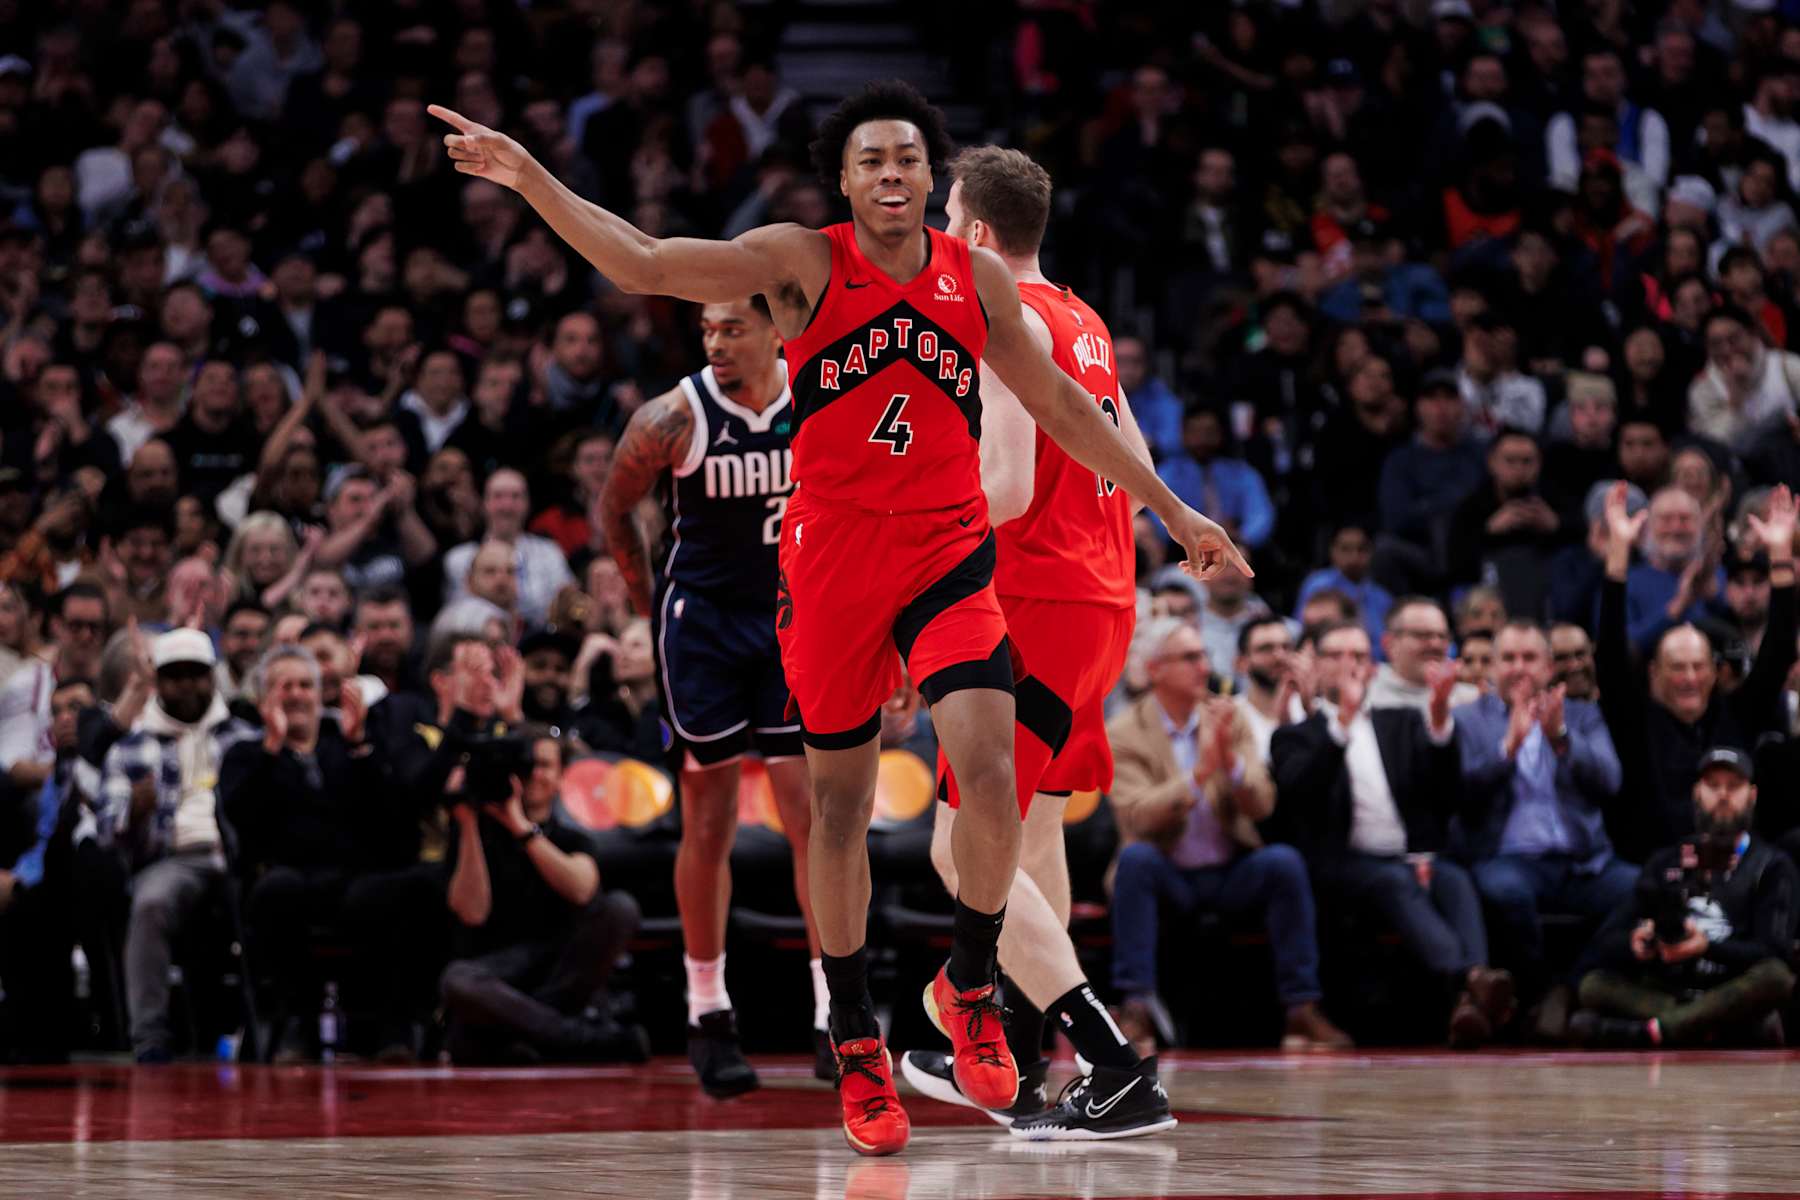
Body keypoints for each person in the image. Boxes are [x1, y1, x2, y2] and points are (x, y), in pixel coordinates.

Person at [429, 80, 1240, 1156]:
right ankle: (856, 1037)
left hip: (948, 551)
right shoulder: (801, 262)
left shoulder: (977, 278)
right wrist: (530, 176)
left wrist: (1179, 514)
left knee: (990, 774)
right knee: (839, 810)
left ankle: (972, 987)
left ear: (932, 175)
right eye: (872, 161)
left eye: (909, 157)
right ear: (845, 180)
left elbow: (1061, 410)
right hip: (834, 561)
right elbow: (647, 262)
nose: (893, 174)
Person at [895, 146, 1173, 1140]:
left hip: (1032, 604)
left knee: (957, 845)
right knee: (1034, 834)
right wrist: (1180, 524)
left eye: (944, 213)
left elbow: (1004, 487)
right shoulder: (1087, 321)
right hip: (1102, 597)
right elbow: (1133, 456)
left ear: (971, 230)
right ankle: (1009, 1061)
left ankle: (1114, 1065)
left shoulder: (993, 316)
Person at [596, 295, 828, 1095]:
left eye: (733, 327)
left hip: (793, 618)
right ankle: (708, 1011)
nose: (717, 342)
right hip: (704, 628)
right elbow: (616, 508)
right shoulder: (675, 415)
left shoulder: (820, 390)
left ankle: (838, 1011)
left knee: (814, 817)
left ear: (775, 329)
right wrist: (645, 601)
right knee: (711, 820)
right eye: (707, 330)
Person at [1102, 617, 1348, 1055]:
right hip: (1167, 871)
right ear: (1156, 669)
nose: (1204, 666)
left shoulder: (1227, 717)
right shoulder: (1124, 730)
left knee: (1283, 863)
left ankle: (1301, 1009)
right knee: (1135, 862)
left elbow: (1263, 804)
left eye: (1204, 656)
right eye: (1190, 658)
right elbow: (1137, 817)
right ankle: (1135, 1008)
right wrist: (1198, 776)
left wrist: (1230, 764)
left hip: (1230, 870)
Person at [1269, 620, 1515, 1047]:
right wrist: (1340, 725)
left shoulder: (1398, 720)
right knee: (1392, 880)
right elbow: (1301, 794)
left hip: (1405, 856)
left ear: (1373, 668)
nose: (1350, 665)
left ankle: (1470, 996)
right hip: (1339, 864)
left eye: (1360, 657)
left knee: (1453, 878)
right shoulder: (1298, 733)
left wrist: (1439, 722)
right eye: (1337, 655)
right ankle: (1472, 981)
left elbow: (1441, 791)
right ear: (1316, 664)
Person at [1596, 482, 1797, 864]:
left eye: (1697, 666)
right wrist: (1618, 551)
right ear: (1654, 672)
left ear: (1714, 673)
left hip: (1731, 870)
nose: (1688, 677)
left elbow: (1777, 655)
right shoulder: (1635, 720)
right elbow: (1608, 656)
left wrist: (1781, 554)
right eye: (1677, 667)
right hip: (1654, 871)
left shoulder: (1735, 713)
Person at [440, 728, 649, 1064]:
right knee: (458, 980)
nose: (535, 774)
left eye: (545, 765)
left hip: (559, 968)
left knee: (620, 908)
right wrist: (466, 823)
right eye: (527, 765)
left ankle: (521, 1034)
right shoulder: (475, 832)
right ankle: (578, 1039)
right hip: (499, 969)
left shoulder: (574, 839)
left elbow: (582, 889)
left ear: (561, 776)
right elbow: (471, 913)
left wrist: (521, 827)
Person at [1453, 620, 1633, 1007]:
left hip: (1583, 862)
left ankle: (1566, 988)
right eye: (1509, 658)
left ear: (1549, 667)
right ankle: (1537, 993)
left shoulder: (1582, 715)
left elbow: (1611, 782)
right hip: (1506, 859)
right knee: (1505, 894)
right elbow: (1462, 794)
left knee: (1640, 889)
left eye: (1530, 657)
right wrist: (1508, 749)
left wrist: (1562, 738)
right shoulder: (1469, 719)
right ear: (1493, 668)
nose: (1519, 667)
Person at [94, 628, 251, 1062]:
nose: (186, 684)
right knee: (150, 904)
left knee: (273, 896)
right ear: (157, 682)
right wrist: (135, 814)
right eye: (174, 675)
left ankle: (269, 1029)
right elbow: (105, 832)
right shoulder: (132, 744)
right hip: (175, 858)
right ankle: (150, 1037)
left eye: (196, 674)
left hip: (237, 857)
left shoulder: (242, 735)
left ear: (212, 678)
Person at [1571, 747, 1796, 1047]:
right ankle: (1712, 1028)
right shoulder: (1667, 861)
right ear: (1696, 793)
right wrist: (1638, 941)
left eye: (1733, 786)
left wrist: (1706, 947)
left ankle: (1652, 1032)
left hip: (1729, 987)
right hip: (1671, 990)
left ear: (1752, 795)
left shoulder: (1772, 866)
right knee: (1593, 986)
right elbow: (1607, 940)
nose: (1723, 795)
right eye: (1713, 786)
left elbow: (1772, 951)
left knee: (1776, 978)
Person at [1368, 597, 1481, 713]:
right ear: (1389, 643)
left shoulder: (1471, 701)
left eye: (1442, 636)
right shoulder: (1366, 697)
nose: (1436, 644)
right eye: (1423, 635)